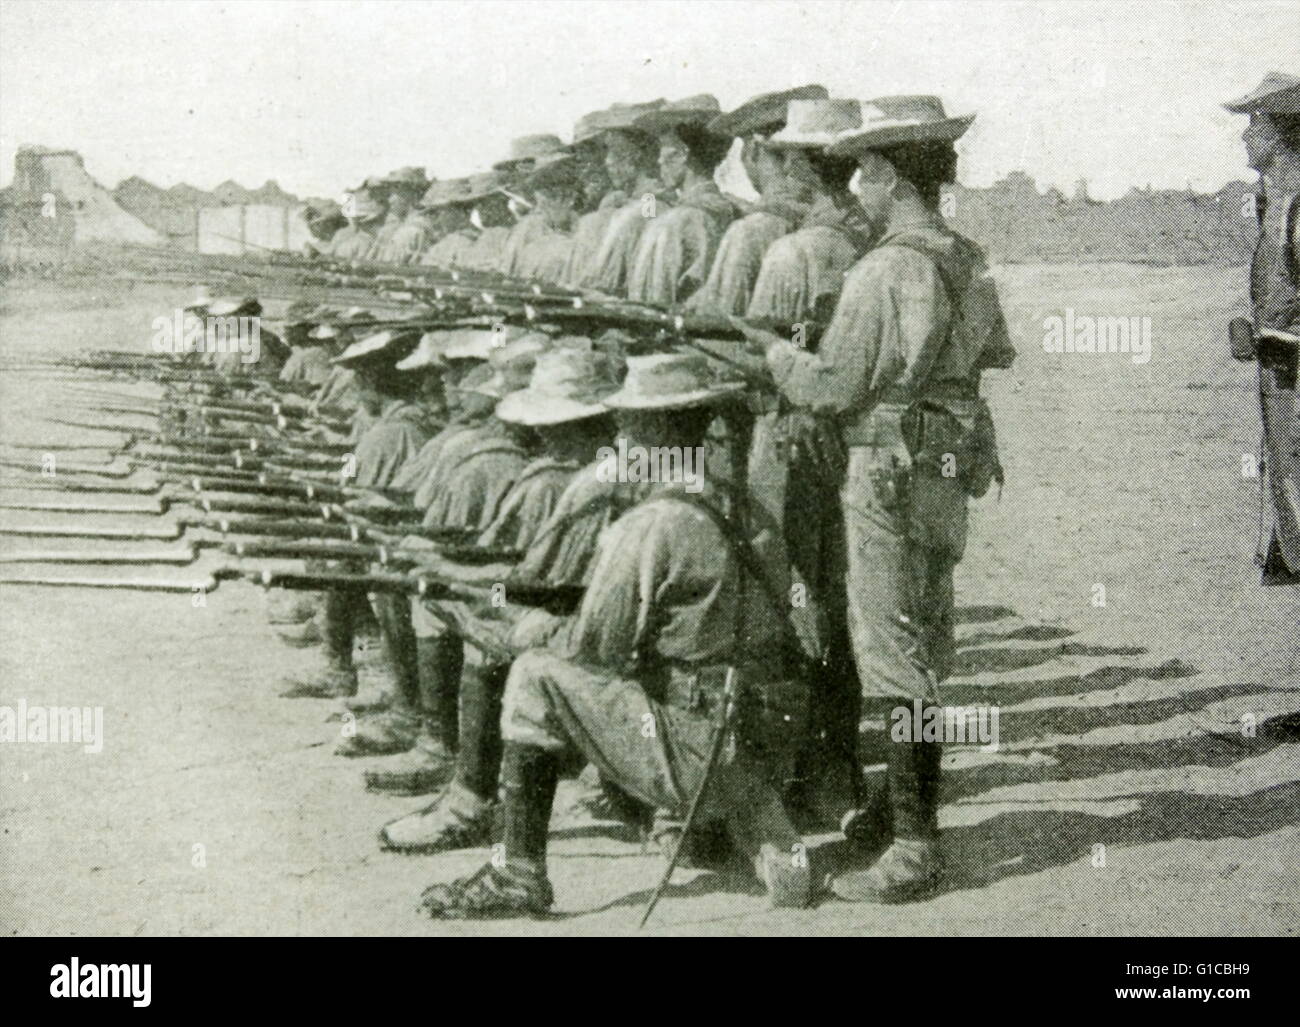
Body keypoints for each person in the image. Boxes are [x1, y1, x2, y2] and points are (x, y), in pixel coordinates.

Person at [418, 353, 813, 919]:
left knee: (535, 676)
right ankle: (764, 826)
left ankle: (518, 871)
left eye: (627, 423)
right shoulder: (741, 505)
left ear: (654, 430)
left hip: (701, 747)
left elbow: (592, 649)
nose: (619, 436)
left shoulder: (651, 523)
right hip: (769, 733)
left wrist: (517, 622)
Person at [745, 96, 1015, 903]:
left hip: (886, 468)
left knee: (892, 648)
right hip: (945, 462)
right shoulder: (965, 256)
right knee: (927, 636)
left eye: (866, 168)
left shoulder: (885, 267)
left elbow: (833, 384)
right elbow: (992, 351)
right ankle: (902, 817)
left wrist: (773, 354)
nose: (857, 183)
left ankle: (912, 844)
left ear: (892, 172)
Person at [378, 347, 625, 848]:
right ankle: (466, 786)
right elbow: (533, 573)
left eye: (557, 424)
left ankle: (471, 799)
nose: (545, 434)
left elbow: (543, 585)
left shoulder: (588, 482)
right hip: (592, 617)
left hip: (600, 635)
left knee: (489, 634)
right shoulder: (592, 473)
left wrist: (462, 582)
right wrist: (456, 572)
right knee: (472, 609)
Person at [1225, 72, 1300, 586]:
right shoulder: (1274, 205)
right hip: (1281, 372)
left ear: (1277, 135)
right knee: (1285, 466)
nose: (1244, 138)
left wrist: (1272, 337)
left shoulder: (1295, 208)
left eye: (1254, 126)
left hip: (1292, 372)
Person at [684, 85, 828, 316]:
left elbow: (722, 322)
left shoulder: (747, 232)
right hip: (801, 342)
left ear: (752, 150)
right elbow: (800, 328)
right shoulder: (829, 222)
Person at [625, 95, 737, 306]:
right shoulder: (734, 210)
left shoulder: (673, 223)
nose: (658, 160)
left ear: (683, 154)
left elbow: (650, 304)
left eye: (663, 149)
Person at [578, 101, 673, 296]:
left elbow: (645, 217)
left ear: (635, 155)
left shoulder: (649, 202)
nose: (607, 161)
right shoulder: (638, 200)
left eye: (613, 151)